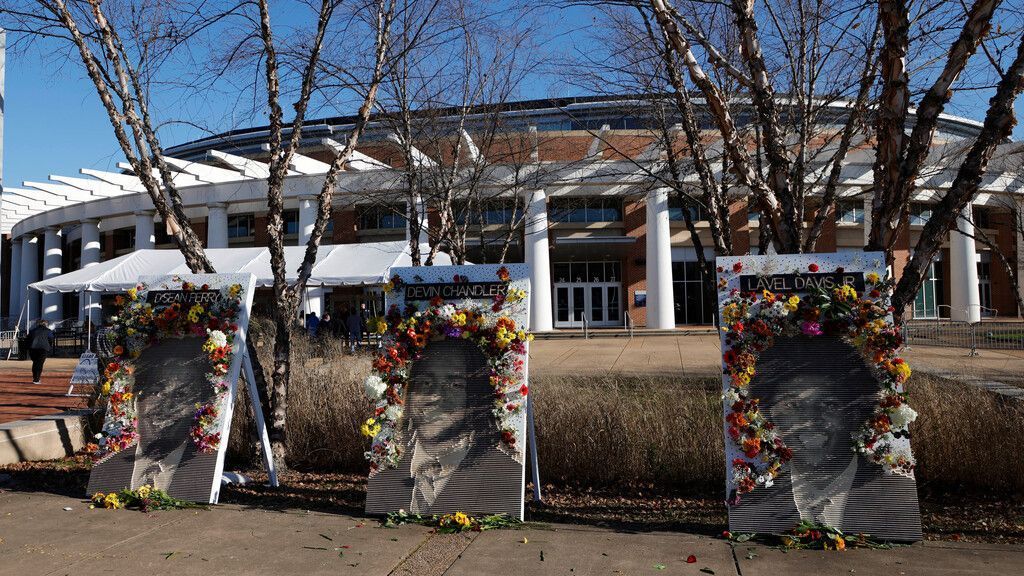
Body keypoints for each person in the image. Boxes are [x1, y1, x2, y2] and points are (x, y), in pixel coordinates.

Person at [27, 319, 55, 385]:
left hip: (33, 348)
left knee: (35, 363)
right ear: (45, 324)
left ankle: (35, 377)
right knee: (39, 364)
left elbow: (28, 339)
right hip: (43, 348)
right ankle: (36, 379)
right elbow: (51, 339)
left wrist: (29, 347)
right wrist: (49, 346)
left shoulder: (33, 330)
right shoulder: (48, 331)